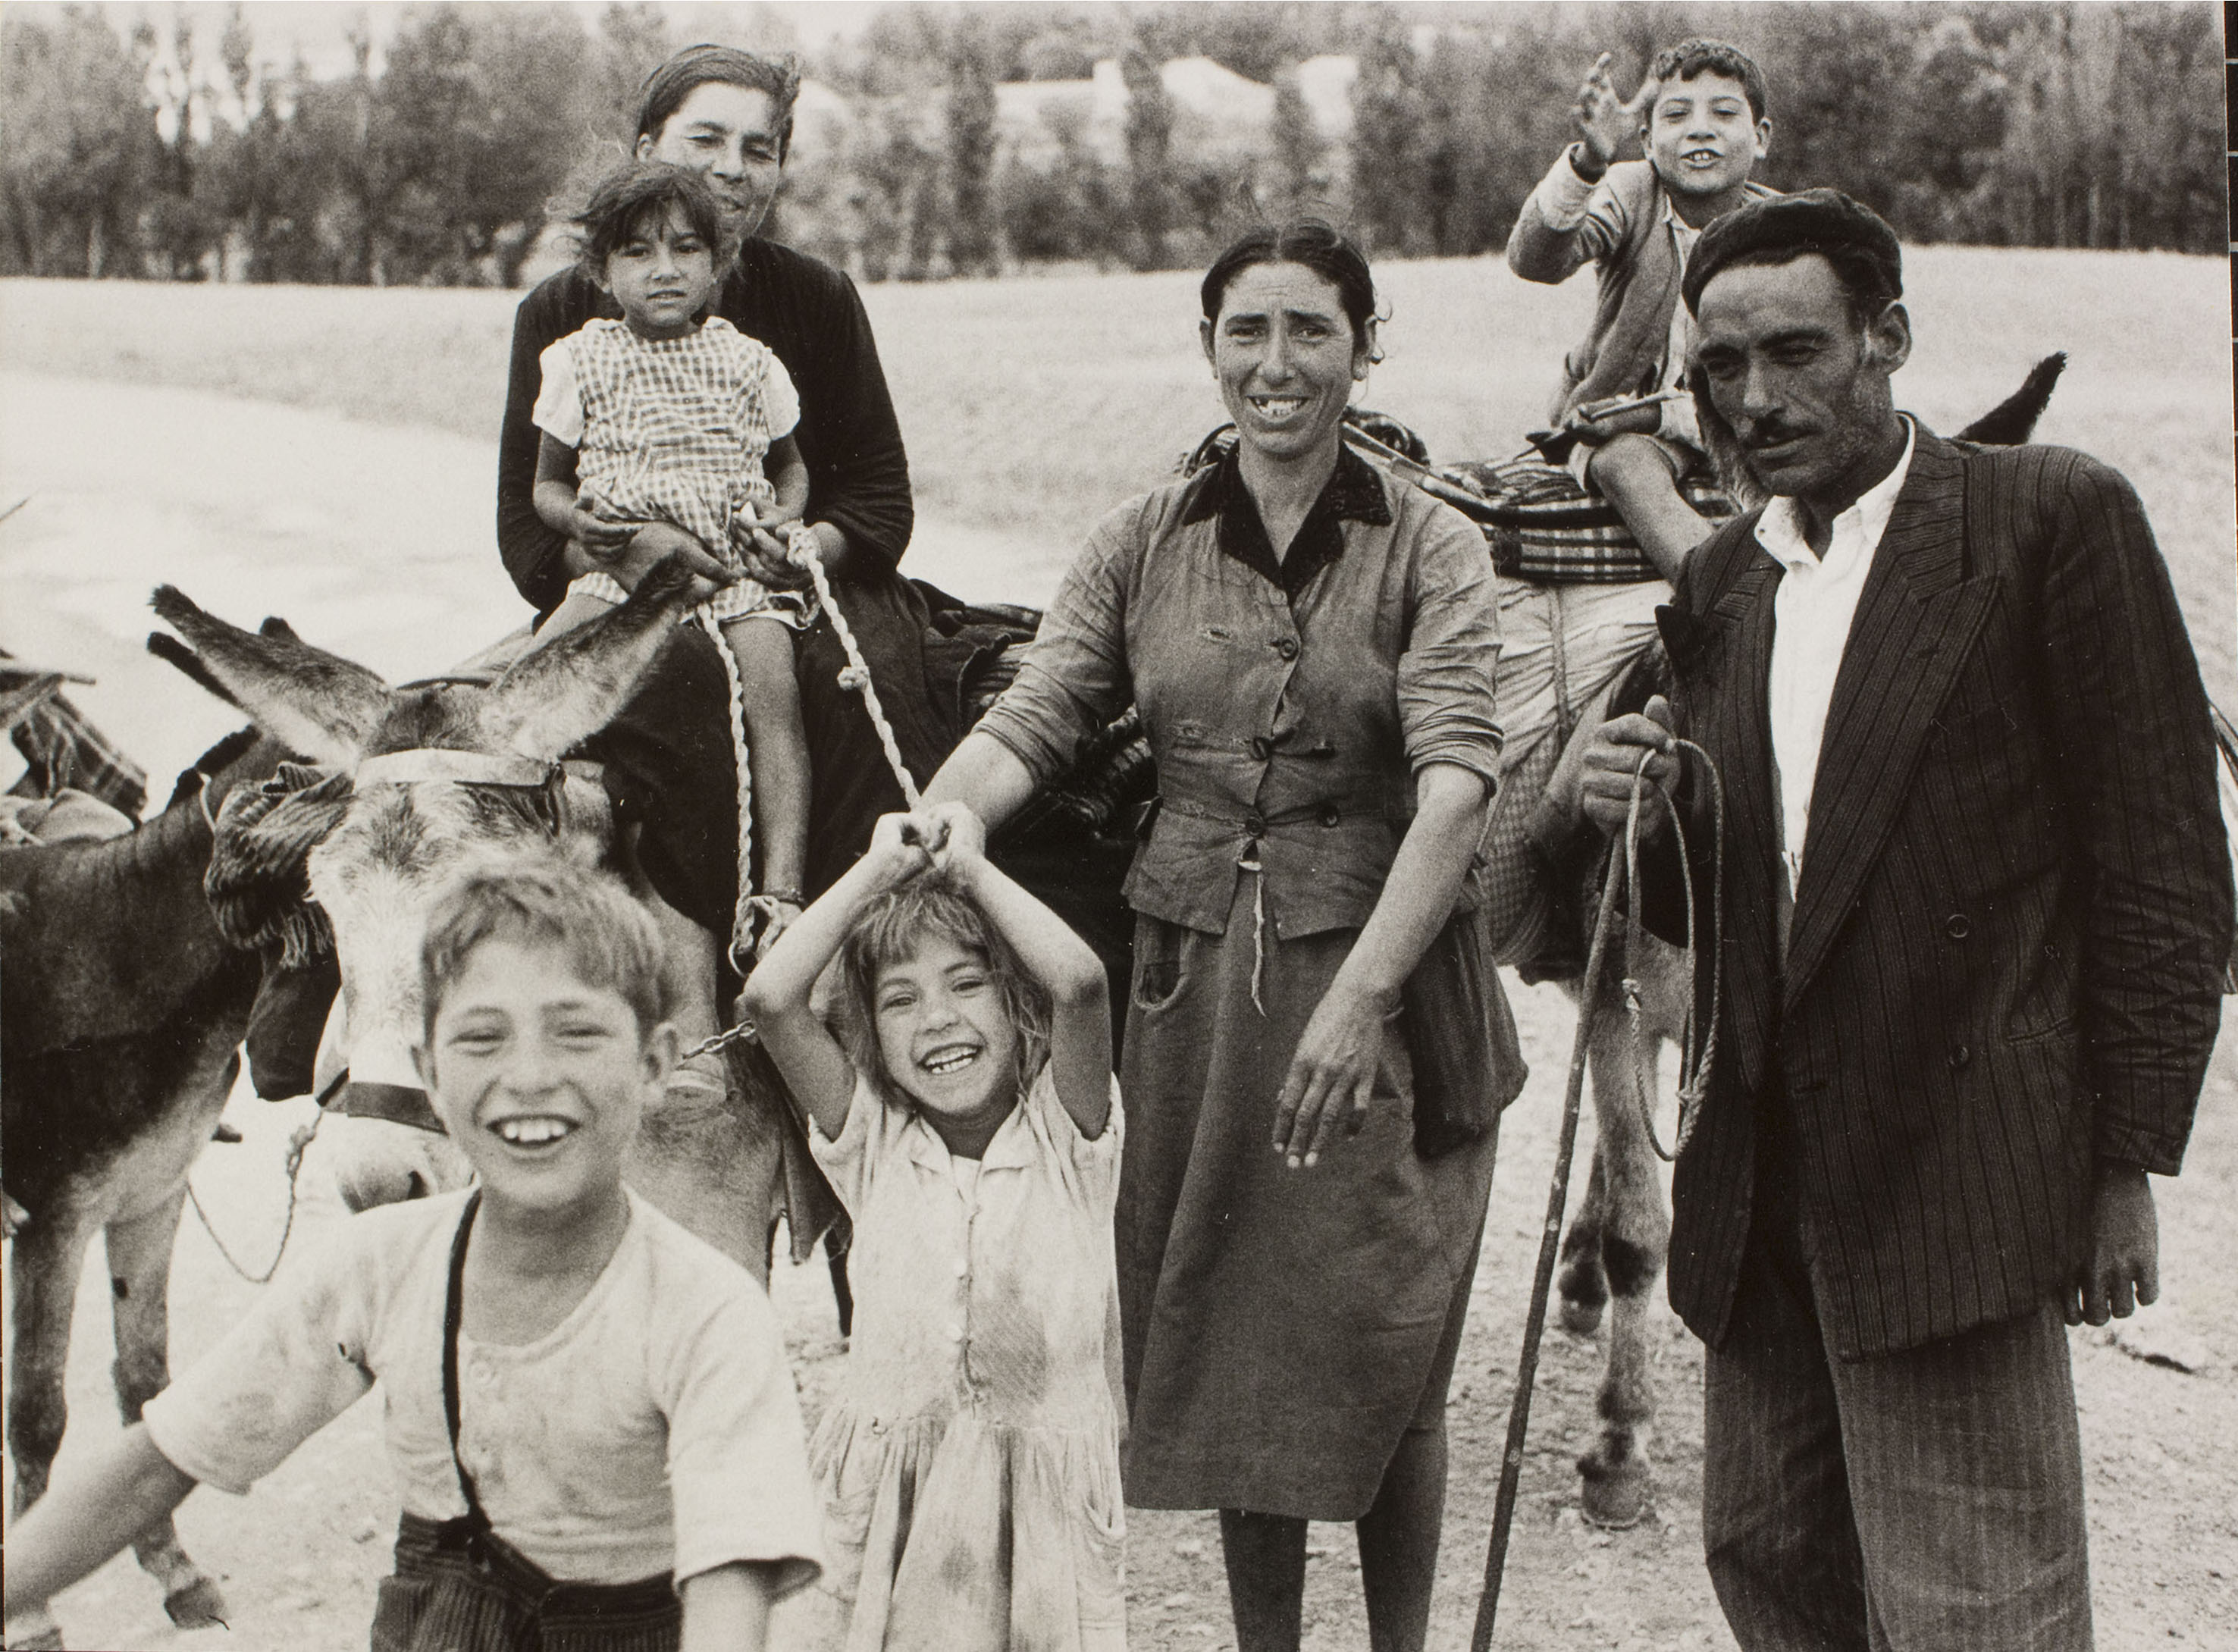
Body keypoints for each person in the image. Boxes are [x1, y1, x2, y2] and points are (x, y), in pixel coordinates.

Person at [1578, 190, 2230, 1649]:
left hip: (1958, 1182)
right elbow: (1727, 909)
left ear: (1888, 339)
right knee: (1773, 1568)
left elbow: (2165, 865)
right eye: (1720, 370)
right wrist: (1634, 806)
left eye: (1797, 352)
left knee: (1974, 1607)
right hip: (1759, 1199)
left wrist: (2122, 1161)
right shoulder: (1729, 581)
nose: (1754, 399)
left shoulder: (2045, 517)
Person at [918, 221, 1513, 1652]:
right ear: (1207, 347)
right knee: (1242, 1343)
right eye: (1246, 330)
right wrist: (944, 818)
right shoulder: (1143, 537)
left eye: (1311, 329)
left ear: (1365, 348)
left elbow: (1457, 783)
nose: (1276, 363)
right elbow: (1038, 710)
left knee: (1388, 1344)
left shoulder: (1432, 540)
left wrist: (1363, 993)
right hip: (1193, 1000)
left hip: (1390, 988)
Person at [1, 854, 826, 1651]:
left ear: (655, 1066)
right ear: (428, 1074)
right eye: (481, 1038)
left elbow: (731, 1576)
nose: (529, 1075)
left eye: (576, 1032)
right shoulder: (378, 1266)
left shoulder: (708, 1311)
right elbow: (162, 1459)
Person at [497, 42, 931, 1105]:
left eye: (760, 147)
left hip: (775, 577)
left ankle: (854, 968)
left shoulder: (814, 301)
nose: (735, 167)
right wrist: (629, 552)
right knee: (459, 733)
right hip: (620, 583)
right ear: (647, 149)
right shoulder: (564, 315)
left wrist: (795, 543)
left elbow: (876, 497)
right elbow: (525, 522)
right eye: (706, 140)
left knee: (885, 717)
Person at [742, 803, 1124, 1650]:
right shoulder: (872, 1141)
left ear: (1014, 998)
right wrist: (879, 867)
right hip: (887, 1504)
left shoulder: (1071, 1133)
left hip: (1038, 1513)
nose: (939, 1019)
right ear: (871, 1033)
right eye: (900, 1000)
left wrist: (974, 869)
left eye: (966, 982)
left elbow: (1083, 982)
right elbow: (771, 997)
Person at [530, 158, 816, 955]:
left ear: (718, 262)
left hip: (732, 568)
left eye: (686, 250)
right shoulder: (580, 360)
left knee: (775, 692)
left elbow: (790, 463)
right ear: (600, 268)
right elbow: (546, 489)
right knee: (540, 670)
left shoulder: (748, 362)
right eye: (638, 253)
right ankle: (518, 848)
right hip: (618, 567)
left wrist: (784, 513)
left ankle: (781, 890)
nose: (664, 271)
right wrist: (583, 524)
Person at [1506, 37, 1776, 579]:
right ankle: (1721, 593)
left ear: (1761, 137)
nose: (1701, 129)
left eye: (1724, 113)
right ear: (1648, 142)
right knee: (1623, 463)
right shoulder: (1632, 194)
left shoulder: (1779, 228)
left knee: (1805, 475)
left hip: (1738, 416)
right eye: (1676, 115)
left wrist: (1664, 414)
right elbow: (1536, 259)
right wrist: (1590, 161)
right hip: (1616, 419)